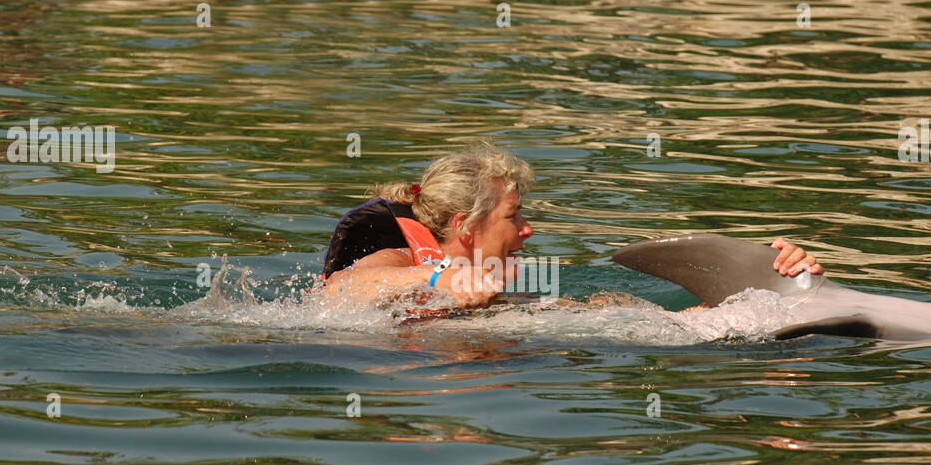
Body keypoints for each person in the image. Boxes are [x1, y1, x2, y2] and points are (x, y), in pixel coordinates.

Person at [320, 141, 823, 309]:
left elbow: (604, 313)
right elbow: (342, 290)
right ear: (465, 227)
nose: (528, 229)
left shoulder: (514, 279)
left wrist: (765, 283)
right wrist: (438, 279)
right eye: (513, 216)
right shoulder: (404, 256)